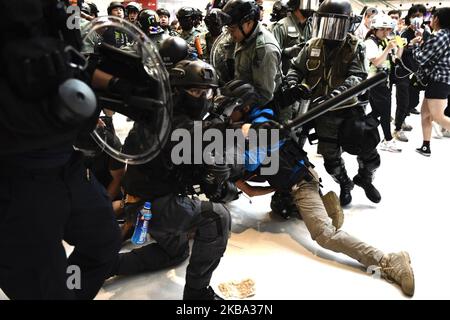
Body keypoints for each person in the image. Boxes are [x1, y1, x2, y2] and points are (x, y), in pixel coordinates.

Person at [223, 81, 415, 297]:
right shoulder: (255, 119)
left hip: (302, 183)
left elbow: (249, 169)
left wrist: (229, 159)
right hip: (289, 185)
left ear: (245, 108)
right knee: (280, 210)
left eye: (231, 109)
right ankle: (323, 206)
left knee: (324, 235)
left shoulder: (262, 125)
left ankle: (388, 260)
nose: (227, 114)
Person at [0, 0, 121, 300]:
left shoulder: (59, 9)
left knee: (103, 241)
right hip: (15, 175)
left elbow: (73, 61)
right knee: (41, 284)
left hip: (67, 162)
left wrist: (118, 85)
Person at [109, 60, 233, 300]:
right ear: (177, 91)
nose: (203, 97)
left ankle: (109, 266)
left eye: (207, 91)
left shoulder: (162, 113)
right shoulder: (171, 123)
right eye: (196, 91)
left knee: (175, 254)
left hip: (147, 199)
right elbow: (199, 136)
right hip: (149, 204)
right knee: (217, 217)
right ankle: (197, 295)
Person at [287, 0, 381, 207]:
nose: (329, 29)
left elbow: (358, 76)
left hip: (349, 110)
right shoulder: (312, 45)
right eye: (325, 22)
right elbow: (296, 69)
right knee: (331, 160)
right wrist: (293, 83)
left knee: (369, 153)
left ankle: (365, 178)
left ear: (347, 24)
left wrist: (337, 94)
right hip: (322, 113)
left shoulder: (356, 46)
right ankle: (345, 184)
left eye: (336, 23)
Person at [220, 0, 282, 107]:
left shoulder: (264, 49)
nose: (230, 33)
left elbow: (264, 96)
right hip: (243, 98)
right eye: (228, 28)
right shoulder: (243, 37)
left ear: (249, 23)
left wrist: (238, 109)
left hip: (263, 108)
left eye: (233, 28)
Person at [410, 7, 450, 157]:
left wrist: (414, 45)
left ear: (437, 19)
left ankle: (426, 146)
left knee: (439, 117)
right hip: (441, 79)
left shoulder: (440, 35)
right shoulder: (444, 35)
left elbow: (422, 58)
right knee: (425, 113)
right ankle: (426, 146)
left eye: (432, 18)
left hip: (439, 80)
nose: (430, 20)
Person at [365, 14, 403, 152]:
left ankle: (359, 129)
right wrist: (388, 49)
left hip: (384, 81)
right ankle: (387, 139)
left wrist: (400, 46)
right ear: (376, 29)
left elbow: (396, 59)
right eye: (384, 29)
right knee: (385, 113)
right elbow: (376, 61)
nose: (387, 32)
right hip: (375, 82)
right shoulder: (370, 42)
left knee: (377, 112)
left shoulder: (383, 41)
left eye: (388, 30)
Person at [270, 0, 317, 74]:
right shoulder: (281, 26)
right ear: (296, 4)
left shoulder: (313, 27)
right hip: (287, 78)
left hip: (306, 78)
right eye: (307, 3)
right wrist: (286, 52)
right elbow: (271, 56)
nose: (311, 8)